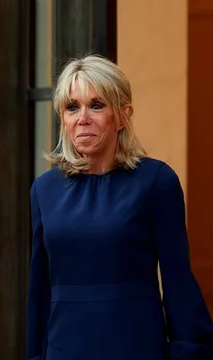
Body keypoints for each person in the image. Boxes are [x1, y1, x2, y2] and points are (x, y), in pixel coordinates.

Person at [26, 54, 213, 360]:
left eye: (96, 105)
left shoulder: (156, 181)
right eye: (72, 107)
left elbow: (178, 280)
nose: (82, 117)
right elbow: (39, 290)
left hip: (136, 347)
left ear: (123, 114)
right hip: (64, 349)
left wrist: (187, 351)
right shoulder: (44, 190)